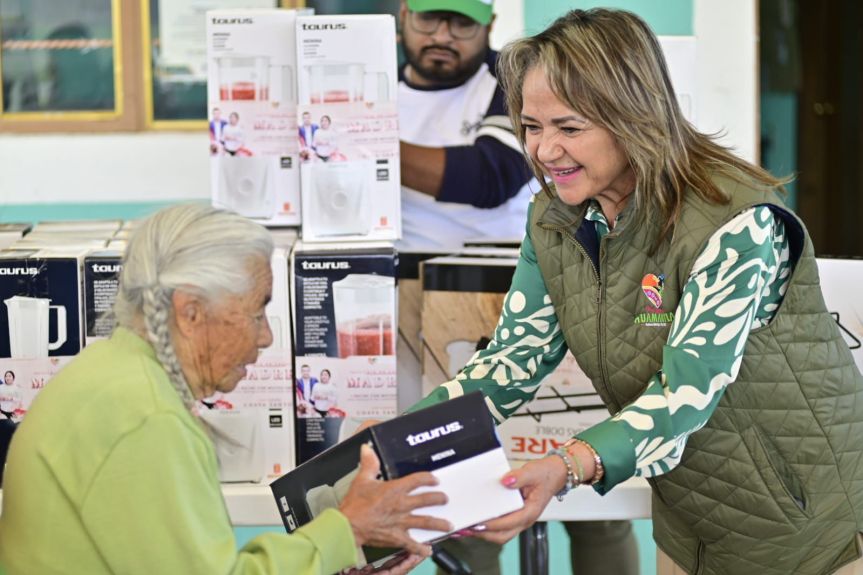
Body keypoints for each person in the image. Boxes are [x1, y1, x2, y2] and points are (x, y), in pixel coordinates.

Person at [408, 8, 863, 575]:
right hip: (690, 515)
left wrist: (566, 465)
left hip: (811, 528)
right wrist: (398, 444)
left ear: (633, 117)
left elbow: (685, 394)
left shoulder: (735, 222)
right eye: (532, 127)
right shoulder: (555, 217)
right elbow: (511, 360)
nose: (545, 152)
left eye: (569, 128)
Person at [0, 204, 451, 575]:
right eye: (257, 313)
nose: (267, 338)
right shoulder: (145, 417)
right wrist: (347, 530)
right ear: (190, 313)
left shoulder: (113, 375)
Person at [396, 0, 535, 250]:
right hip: (398, 267)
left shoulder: (517, 79)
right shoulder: (377, 88)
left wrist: (373, 149)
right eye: (428, 19)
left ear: (490, 26)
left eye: (463, 23)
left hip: (499, 271)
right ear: (404, 14)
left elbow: (492, 177)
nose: (441, 36)